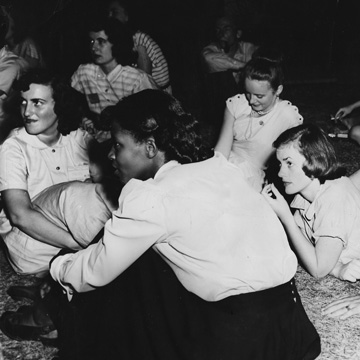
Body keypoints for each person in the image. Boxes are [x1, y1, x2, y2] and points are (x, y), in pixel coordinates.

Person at [0, 90, 320, 360]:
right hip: (292, 332)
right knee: (136, 251)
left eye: (118, 145)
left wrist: (57, 269)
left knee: (121, 268)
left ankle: (53, 310)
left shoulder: (150, 195)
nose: (111, 156)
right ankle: (54, 307)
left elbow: (94, 274)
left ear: (151, 148)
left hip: (237, 342)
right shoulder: (221, 168)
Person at [0, 70, 99, 276]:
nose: (27, 112)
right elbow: (20, 215)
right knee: (75, 192)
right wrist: (79, 244)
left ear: (59, 105)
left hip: (79, 239)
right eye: (24, 102)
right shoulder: (13, 147)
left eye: (37, 103)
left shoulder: (80, 139)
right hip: (33, 246)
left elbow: (105, 191)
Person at [262, 123, 360, 281]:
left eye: (289, 164)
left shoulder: (333, 199)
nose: (280, 172)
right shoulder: (304, 195)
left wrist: (286, 216)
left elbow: (318, 269)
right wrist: (337, 268)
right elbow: (304, 243)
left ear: (314, 161)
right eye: (280, 163)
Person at [215, 55, 303, 192]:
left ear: (278, 90)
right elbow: (221, 152)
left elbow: (300, 154)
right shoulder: (236, 104)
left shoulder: (287, 115)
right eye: (248, 93)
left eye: (259, 96)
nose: (251, 101)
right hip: (228, 163)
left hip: (254, 177)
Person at [71, 17, 157, 142]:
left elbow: (154, 117)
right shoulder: (84, 72)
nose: (94, 48)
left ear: (117, 43)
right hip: (98, 140)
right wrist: (83, 119)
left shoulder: (137, 79)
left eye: (101, 41)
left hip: (130, 141)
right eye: (91, 41)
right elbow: (67, 99)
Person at [201, 16, 258, 128]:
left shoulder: (248, 48)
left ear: (238, 33)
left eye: (226, 29)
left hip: (246, 101)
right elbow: (208, 58)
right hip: (222, 105)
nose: (221, 33)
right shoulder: (212, 49)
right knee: (221, 75)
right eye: (218, 29)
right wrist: (246, 66)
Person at [106, 0, 171, 93]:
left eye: (114, 12)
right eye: (108, 13)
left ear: (127, 16)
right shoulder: (120, 40)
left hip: (159, 94)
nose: (110, 16)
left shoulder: (139, 39)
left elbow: (145, 78)